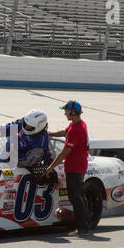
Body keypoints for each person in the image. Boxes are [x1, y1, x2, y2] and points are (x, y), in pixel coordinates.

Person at [43, 100, 91, 237]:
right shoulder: (77, 124)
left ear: (72, 112)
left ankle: (82, 228)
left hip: (75, 168)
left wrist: (50, 168)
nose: (64, 113)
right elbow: (65, 132)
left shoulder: (77, 129)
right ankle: (85, 225)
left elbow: (64, 152)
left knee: (75, 197)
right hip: (78, 166)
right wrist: (50, 134)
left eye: (66, 110)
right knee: (79, 196)